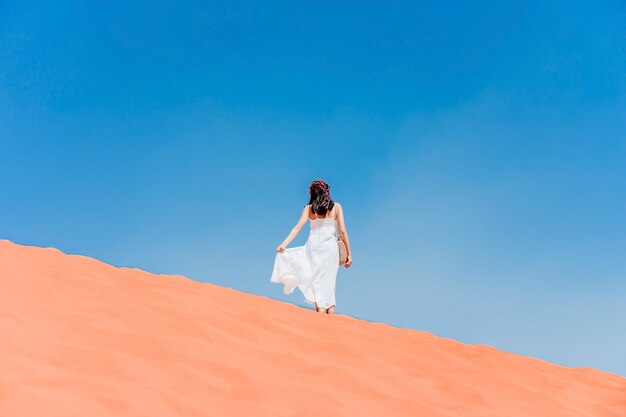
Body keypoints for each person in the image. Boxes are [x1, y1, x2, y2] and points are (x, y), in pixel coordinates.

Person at [270, 180, 352, 314]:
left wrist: (284, 244)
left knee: (317, 284)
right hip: (330, 251)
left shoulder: (309, 209)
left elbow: (298, 228)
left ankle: (320, 315)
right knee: (329, 285)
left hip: (314, 249)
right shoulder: (336, 207)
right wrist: (349, 253)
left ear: (312, 193)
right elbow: (342, 231)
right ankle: (331, 322)